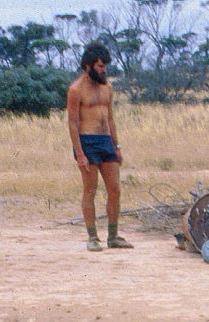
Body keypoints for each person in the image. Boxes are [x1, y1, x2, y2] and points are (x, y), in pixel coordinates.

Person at [67, 41, 133, 251]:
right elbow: (72, 122)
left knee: (114, 190)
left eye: (105, 65)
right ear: (88, 66)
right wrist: (79, 153)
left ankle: (113, 236)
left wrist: (117, 145)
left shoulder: (107, 88)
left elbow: (110, 118)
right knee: (90, 191)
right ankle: (92, 238)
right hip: (87, 142)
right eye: (100, 66)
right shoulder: (76, 90)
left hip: (106, 142)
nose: (104, 69)